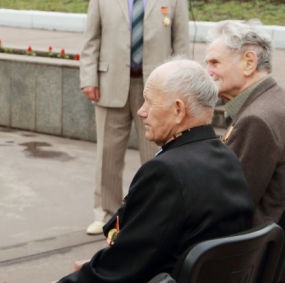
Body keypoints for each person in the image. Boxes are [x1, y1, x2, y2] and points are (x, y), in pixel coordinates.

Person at [56, 59, 254, 283]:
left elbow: (126, 266)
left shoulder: (166, 171)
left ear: (178, 110)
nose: (141, 111)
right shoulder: (226, 157)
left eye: (149, 102)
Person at [79, 0, 190, 235]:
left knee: (157, 155)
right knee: (107, 156)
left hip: (158, 91)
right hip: (110, 83)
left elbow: (182, 44)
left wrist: (180, 86)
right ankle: (107, 215)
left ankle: (154, 214)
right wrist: (89, 77)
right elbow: (91, 40)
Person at [205, 19, 285, 226]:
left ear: (249, 62)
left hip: (251, 250)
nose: (207, 72)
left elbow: (231, 204)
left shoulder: (255, 119)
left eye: (215, 63)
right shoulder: (274, 99)